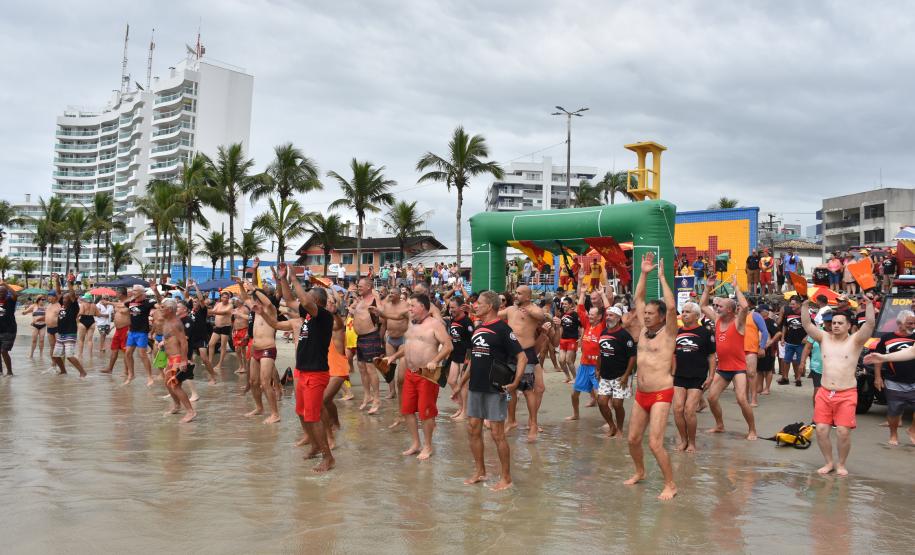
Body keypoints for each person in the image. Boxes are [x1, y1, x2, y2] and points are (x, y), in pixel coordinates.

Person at [258, 270, 335, 471]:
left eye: (308, 296)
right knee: (301, 412)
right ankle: (316, 445)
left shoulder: (324, 316)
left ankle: (328, 457)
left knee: (313, 415)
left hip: (316, 373)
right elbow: (291, 299)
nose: (304, 299)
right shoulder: (307, 316)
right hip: (303, 371)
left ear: (316, 301)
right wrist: (283, 279)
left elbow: (302, 300)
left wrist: (294, 279)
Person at [457, 290, 526, 491]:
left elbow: (522, 357)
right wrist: (461, 383)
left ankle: (506, 478)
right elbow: (474, 359)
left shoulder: (503, 329)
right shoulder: (478, 328)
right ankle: (480, 471)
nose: (475, 306)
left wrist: (515, 382)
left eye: (479, 303)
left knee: (497, 434)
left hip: (495, 388)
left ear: (490, 306)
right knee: (473, 429)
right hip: (475, 386)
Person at [625, 252, 678, 500]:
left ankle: (670, 484)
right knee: (633, 439)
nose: (645, 315)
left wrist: (662, 278)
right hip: (641, 393)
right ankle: (640, 472)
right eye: (644, 313)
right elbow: (637, 297)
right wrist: (644, 274)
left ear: (660, 316)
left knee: (654, 443)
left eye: (650, 313)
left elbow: (673, 307)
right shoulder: (644, 331)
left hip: (661, 393)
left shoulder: (668, 333)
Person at [802, 295, 874, 476]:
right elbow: (807, 325)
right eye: (834, 322)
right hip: (825, 392)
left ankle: (841, 464)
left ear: (849, 326)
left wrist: (870, 304)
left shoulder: (855, 341)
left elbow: (870, 325)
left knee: (842, 431)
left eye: (840, 323)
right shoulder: (824, 338)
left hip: (846, 393)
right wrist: (804, 306)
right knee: (821, 430)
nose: (835, 325)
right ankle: (828, 462)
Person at [384, 293, 452, 459]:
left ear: (422, 307)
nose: (409, 309)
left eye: (412, 306)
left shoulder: (435, 324)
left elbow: (448, 346)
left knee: (426, 412)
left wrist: (435, 361)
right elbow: (407, 347)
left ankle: (428, 446)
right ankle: (416, 443)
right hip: (411, 372)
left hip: (427, 374)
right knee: (407, 410)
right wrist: (393, 357)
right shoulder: (412, 325)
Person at [700, 274, 758, 440]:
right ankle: (719, 425)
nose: (717, 308)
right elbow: (703, 306)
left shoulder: (738, 322)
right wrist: (707, 287)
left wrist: (736, 288)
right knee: (711, 398)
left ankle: (752, 430)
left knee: (741, 399)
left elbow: (745, 307)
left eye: (721, 306)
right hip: (723, 368)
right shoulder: (718, 320)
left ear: (731, 310)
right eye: (717, 306)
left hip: (738, 369)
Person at [499, 285, 547, 443]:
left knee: (527, 390)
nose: (516, 295)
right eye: (516, 293)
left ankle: (533, 424)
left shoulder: (533, 309)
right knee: (509, 388)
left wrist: (530, 311)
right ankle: (511, 420)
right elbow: (495, 315)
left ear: (527, 296)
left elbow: (541, 315)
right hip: (510, 353)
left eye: (519, 294)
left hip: (526, 353)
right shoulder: (511, 309)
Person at [864, 309, 915, 446]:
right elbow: (879, 359)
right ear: (900, 323)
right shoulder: (886, 338)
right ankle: (893, 434)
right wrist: (877, 377)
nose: (912, 326)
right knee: (894, 411)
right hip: (894, 380)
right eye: (909, 323)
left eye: (914, 323)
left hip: (913, 380)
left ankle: (912, 430)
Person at [672, 301, 716, 452]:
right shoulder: (678, 332)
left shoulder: (705, 333)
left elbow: (711, 356)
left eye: (687, 312)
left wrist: (711, 377)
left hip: (697, 375)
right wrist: (671, 372)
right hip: (679, 375)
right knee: (677, 409)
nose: (683, 314)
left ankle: (692, 442)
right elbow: (673, 354)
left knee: (689, 410)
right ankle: (683, 440)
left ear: (697, 316)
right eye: (683, 311)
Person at [238, 280, 280, 424]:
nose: (253, 302)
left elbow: (267, 303)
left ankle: (275, 413)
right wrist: (240, 285)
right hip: (256, 349)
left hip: (268, 349)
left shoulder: (271, 310)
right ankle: (259, 408)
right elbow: (244, 298)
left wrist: (255, 289)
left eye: (255, 299)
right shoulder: (255, 310)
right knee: (253, 381)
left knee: (265, 383)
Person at [567, 279, 606, 421]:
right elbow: (580, 309)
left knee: (600, 397)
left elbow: (607, 309)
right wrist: (582, 293)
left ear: (599, 317)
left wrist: (603, 295)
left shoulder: (602, 326)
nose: (589, 316)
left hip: (596, 367)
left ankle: (608, 420)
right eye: (589, 314)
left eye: (592, 315)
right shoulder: (587, 325)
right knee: (574, 394)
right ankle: (575, 415)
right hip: (583, 365)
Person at [596, 305, 635, 438]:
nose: (608, 318)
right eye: (607, 315)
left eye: (611, 315)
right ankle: (611, 426)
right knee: (601, 402)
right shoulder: (603, 333)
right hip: (605, 375)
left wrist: (625, 375)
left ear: (618, 318)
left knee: (618, 404)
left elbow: (632, 356)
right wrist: (597, 369)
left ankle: (619, 429)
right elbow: (600, 353)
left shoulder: (625, 335)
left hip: (620, 376)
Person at [159, 298, 197, 423]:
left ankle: (191, 412)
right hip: (170, 357)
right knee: (167, 383)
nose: (161, 309)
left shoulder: (175, 323)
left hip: (177, 358)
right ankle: (177, 405)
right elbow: (171, 338)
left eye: (163, 307)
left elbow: (184, 342)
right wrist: (163, 342)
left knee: (175, 386)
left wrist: (184, 360)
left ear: (169, 310)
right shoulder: (167, 320)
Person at [352, 277, 384, 414]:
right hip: (360, 337)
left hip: (371, 336)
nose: (358, 288)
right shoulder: (361, 300)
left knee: (371, 368)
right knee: (361, 367)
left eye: (361, 286)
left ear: (369, 287)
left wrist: (377, 298)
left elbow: (382, 315)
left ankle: (377, 399)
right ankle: (367, 395)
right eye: (358, 286)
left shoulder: (374, 300)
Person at [125, 282, 161, 386]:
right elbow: (123, 304)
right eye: (133, 290)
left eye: (135, 290)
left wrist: (155, 291)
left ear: (141, 292)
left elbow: (160, 305)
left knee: (142, 355)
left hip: (142, 332)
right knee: (127, 353)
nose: (132, 292)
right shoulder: (131, 302)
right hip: (132, 332)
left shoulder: (148, 302)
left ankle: (149, 377)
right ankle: (131, 375)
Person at [50, 277, 87, 378]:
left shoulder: (74, 306)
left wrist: (69, 283)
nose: (64, 299)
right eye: (64, 298)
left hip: (70, 333)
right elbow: (58, 292)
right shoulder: (62, 305)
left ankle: (82, 372)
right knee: (56, 356)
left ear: (70, 300)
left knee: (69, 356)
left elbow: (72, 294)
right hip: (61, 333)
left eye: (66, 298)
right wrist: (57, 281)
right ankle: (63, 371)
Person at [446, 297, 474, 420]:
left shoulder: (467, 322)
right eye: (449, 307)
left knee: (464, 385)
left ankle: (465, 411)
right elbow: (453, 336)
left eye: (452, 307)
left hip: (466, 356)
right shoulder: (452, 318)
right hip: (455, 354)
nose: (450, 310)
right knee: (451, 381)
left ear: (460, 307)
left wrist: (470, 359)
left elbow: (473, 341)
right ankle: (461, 407)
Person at [779, 295, 807, 386]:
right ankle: (785, 378)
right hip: (789, 341)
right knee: (786, 360)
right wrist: (783, 338)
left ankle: (798, 379)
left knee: (799, 361)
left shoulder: (805, 314)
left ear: (799, 304)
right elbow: (785, 326)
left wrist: (807, 337)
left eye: (793, 304)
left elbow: (812, 327)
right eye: (791, 304)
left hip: (800, 343)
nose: (791, 306)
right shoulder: (788, 313)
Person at [102, 288, 130, 376]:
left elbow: (123, 306)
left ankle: (126, 372)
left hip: (126, 329)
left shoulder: (129, 302)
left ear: (122, 294)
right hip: (117, 330)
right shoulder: (118, 302)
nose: (116, 294)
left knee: (126, 351)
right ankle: (110, 369)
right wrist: (113, 327)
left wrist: (109, 303)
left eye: (117, 293)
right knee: (114, 349)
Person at [755, 304, 780, 397]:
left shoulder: (770, 321)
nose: (758, 312)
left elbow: (778, 333)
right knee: (759, 370)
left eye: (760, 311)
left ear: (766, 312)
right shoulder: (756, 320)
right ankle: (760, 387)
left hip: (768, 349)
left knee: (768, 370)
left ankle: (767, 388)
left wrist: (771, 342)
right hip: (757, 348)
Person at [554, 296, 580, 383]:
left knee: (569, 360)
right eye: (563, 304)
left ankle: (575, 378)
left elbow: (581, 327)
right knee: (561, 360)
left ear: (570, 305)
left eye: (566, 304)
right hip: (563, 340)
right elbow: (561, 327)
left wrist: (581, 338)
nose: (564, 305)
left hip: (572, 339)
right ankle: (568, 377)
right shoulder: (562, 315)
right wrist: (559, 337)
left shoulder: (575, 314)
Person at [207, 291, 234, 372]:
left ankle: (220, 364)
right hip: (217, 327)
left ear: (229, 298)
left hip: (225, 327)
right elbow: (213, 312)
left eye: (227, 298)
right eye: (223, 297)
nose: (225, 299)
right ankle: (210, 361)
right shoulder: (218, 304)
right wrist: (208, 310)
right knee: (211, 344)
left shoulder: (230, 305)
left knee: (223, 346)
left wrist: (211, 311)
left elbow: (224, 313)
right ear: (221, 297)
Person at [0, 281, 19, 374]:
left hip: (9, 330)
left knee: (4, 351)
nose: (0, 294)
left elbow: (15, 294)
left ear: (6, 292)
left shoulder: (10, 300)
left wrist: (5, 285)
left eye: (2, 292)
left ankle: (9, 372)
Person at [76, 293, 97, 360]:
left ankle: (80, 355)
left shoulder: (83, 304)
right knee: (90, 340)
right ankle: (90, 356)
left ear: (86, 298)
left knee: (81, 340)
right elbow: (98, 314)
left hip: (83, 320)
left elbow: (81, 312)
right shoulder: (94, 305)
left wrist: (76, 317)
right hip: (91, 321)